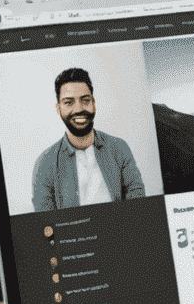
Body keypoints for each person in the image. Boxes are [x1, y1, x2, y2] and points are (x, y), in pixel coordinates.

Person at [31, 67, 145, 210]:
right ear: (58, 108)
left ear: (94, 104)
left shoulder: (119, 148)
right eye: (68, 102)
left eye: (85, 100)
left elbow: (137, 198)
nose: (79, 109)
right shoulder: (45, 164)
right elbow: (46, 221)